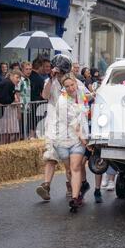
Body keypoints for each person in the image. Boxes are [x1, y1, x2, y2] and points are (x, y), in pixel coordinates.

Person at [36, 54, 90, 201]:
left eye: (61, 72)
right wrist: (51, 79)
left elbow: (86, 98)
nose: (59, 75)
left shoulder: (76, 83)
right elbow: (45, 95)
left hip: (71, 128)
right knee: (50, 155)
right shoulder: (50, 82)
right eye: (57, 72)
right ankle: (46, 185)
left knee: (70, 163)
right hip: (53, 125)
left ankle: (71, 185)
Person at [54, 73, 90, 212]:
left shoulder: (81, 94)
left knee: (76, 167)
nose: (70, 88)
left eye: (72, 85)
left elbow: (87, 104)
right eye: (67, 86)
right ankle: (81, 186)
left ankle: (75, 198)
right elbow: (72, 122)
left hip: (78, 140)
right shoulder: (62, 101)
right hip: (64, 138)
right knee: (69, 169)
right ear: (64, 88)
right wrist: (82, 137)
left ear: (76, 83)